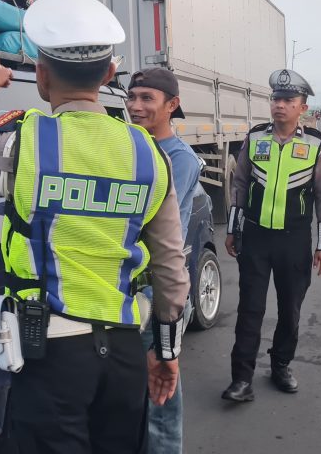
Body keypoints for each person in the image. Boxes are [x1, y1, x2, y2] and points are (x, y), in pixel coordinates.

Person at [0, 0, 190, 453]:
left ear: (41, 75)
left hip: (50, 354)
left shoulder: (24, 142)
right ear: (109, 74)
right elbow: (170, 267)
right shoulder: (150, 153)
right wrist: (166, 352)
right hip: (124, 355)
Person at [222, 68, 321, 402]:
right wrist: (233, 229)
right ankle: (241, 379)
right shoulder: (255, 137)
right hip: (256, 238)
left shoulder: (316, 143)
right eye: (276, 99)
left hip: (294, 241)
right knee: (250, 309)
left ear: (303, 107)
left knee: (290, 310)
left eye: (288, 100)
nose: (280, 105)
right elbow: (240, 184)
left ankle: (281, 365)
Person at [126, 68, 203, 454]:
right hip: (126, 291)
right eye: (132, 96)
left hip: (158, 292)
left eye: (146, 98)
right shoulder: (129, 146)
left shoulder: (178, 159)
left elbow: (145, 222)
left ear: (172, 105)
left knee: (161, 399)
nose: (135, 106)